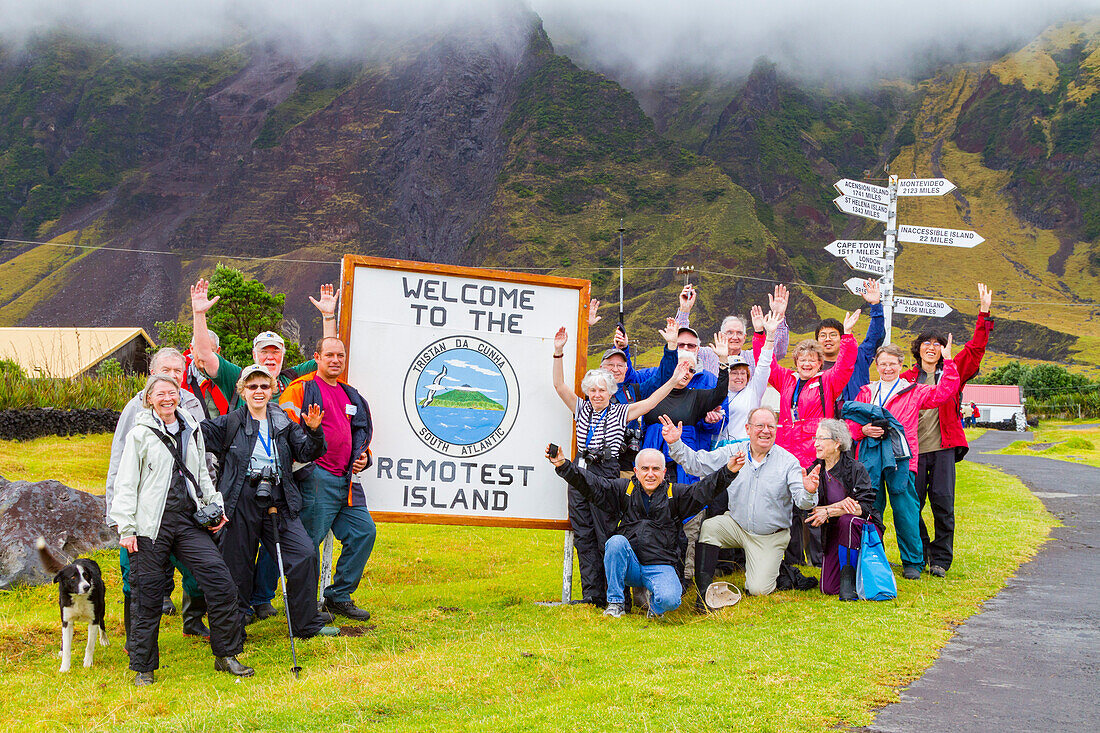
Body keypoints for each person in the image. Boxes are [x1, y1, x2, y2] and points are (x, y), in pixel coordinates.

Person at [190, 278, 340, 622]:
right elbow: (204, 356)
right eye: (263, 354)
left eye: (275, 354)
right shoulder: (233, 385)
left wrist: (328, 317)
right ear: (245, 383)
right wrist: (200, 314)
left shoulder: (288, 399)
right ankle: (235, 618)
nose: (260, 386)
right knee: (237, 560)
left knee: (301, 553)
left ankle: (301, 618)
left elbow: (327, 359)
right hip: (240, 493)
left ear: (276, 382)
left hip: (283, 490)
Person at [111, 375, 251, 685]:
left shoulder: (191, 428)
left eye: (171, 393)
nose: (166, 398)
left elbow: (202, 472)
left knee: (220, 580)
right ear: (149, 399)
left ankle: (226, 655)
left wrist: (215, 505)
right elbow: (126, 482)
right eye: (159, 394)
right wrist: (127, 527)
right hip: (150, 524)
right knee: (147, 594)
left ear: (179, 396)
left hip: (188, 520)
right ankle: (143, 668)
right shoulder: (139, 434)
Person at [552, 326, 693, 606]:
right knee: (583, 533)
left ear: (610, 391)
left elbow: (653, 400)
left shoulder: (621, 411)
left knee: (606, 533)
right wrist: (558, 352)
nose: (596, 394)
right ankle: (591, 595)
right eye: (592, 390)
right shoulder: (580, 408)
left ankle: (617, 598)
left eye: (602, 390)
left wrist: (674, 378)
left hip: (606, 472)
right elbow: (559, 386)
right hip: (580, 472)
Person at [200, 366, 338, 638]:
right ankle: (232, 628)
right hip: (240, 500)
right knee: (236, 566)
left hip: (279, 497)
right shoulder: (229, 423)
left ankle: (305, 623)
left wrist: (313, 431)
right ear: (242, 391)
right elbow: (195, 438)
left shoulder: (284, 422)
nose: (259, 392)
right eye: (252, 387)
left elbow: (308, 451)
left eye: (264, 386)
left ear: (274, 389)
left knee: (304, 554)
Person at [547, 445, 744, 618]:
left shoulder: (675, 494)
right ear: (636, 471)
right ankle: (616, 603)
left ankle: (655, 609)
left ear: (664, 471)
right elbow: (593, 484)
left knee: (671, 600)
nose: (650, 474)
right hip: (630, 564)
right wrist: (564, 465)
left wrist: (728, 471)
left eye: (655, 469)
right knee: (615, 542)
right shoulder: (624, 489)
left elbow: (704, 489)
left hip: (659, 566)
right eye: (645, 469)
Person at [105, 347, 211, 643]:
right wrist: (116, 513)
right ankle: (133, 637)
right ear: (152, 374)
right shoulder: (134, 408)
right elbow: (120, 463)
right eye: (166, 371)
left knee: (198, 571)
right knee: (135, 576)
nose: (173, 377)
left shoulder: (191, 405)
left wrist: (208, 500)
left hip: (186, 507)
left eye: (178, 371)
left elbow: (203, 458)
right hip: (146, 512)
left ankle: (193, 620)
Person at [668, 407, 820, 606]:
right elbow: (698, 464)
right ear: (748, 429)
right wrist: (675, 443)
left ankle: (775, 567)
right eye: (760, 426)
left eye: (770, 426)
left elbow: (802, 502)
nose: (765, 431)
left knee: (758, 589)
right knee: (710, 527)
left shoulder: (788, 462)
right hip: (737, 525)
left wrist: (809, 491)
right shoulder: (733, 451)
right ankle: (703, 594)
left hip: (769, 535)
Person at [753, 306, 860, 570]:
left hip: (815, 451)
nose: (807, 363)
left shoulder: (828, 381)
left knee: (815, 503)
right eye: (802, 359)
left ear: (820, 362)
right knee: (788, 504)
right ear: (796, 361)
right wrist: (760, 333)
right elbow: (763, 362)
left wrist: (846, 336)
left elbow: (846, 364)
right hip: (787, 450)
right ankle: (792, 558)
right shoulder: (786, 379)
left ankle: (818, 557)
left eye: (812, 359)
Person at [280, 337, 376, 620]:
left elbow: (360, 433)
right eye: (330, 355)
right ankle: (303, 607)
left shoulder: (351, 395)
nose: (335, 360)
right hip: (315, 477)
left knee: (363, 532)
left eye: (340, 356)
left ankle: (338, 596)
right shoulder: (301, 389)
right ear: (317, 357)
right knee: (309, 545)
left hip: (347, 481)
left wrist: (365, 456)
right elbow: (284, 428)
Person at [847, 340, 960, 580]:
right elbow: (850, 424)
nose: (887, 368)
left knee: (906, 510)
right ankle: (871, 556)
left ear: (901, 364)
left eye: (892, 363)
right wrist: (863, 430)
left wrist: (948, 362)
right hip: (869, 459)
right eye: (882, 364)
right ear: (876, 366)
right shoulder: (867, 391)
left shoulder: (914, 390)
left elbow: (944, 393)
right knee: (870, 508)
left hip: (901, 458)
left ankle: (912, 562)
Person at [903, 283, 994, 577]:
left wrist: (983, 313)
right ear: (918, 349)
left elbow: (976, 349)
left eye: (937, 344)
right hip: (913, 451)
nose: (931, 347)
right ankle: (923, 551)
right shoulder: (906, 378)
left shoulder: (953, 372)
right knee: (910, 506)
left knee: (943, 503)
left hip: (943, 449)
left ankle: (941, 560)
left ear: (943, 350)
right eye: (926, 343)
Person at [804, 419, 883, 600]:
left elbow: (863, 507)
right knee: (827, 588)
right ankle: (857, 576)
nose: (816, 443)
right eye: (815, 438)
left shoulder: (856, 468)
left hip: (862, 530)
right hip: (834, 533)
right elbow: (811, 511)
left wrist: (830, 511)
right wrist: (841, 506)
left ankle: (850, 583)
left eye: (821, 438)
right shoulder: (814, 471)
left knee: (848, 520)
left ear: (837, 442)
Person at [670, 283, 791, 377]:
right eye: (729, 333)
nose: (734, 337)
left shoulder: (752, 357)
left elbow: (777, 352)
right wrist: (684, 310)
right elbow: (683, 346)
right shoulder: (707, 354)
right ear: (721, 335)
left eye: (739, 333)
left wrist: (779, 316)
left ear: (744, 338)